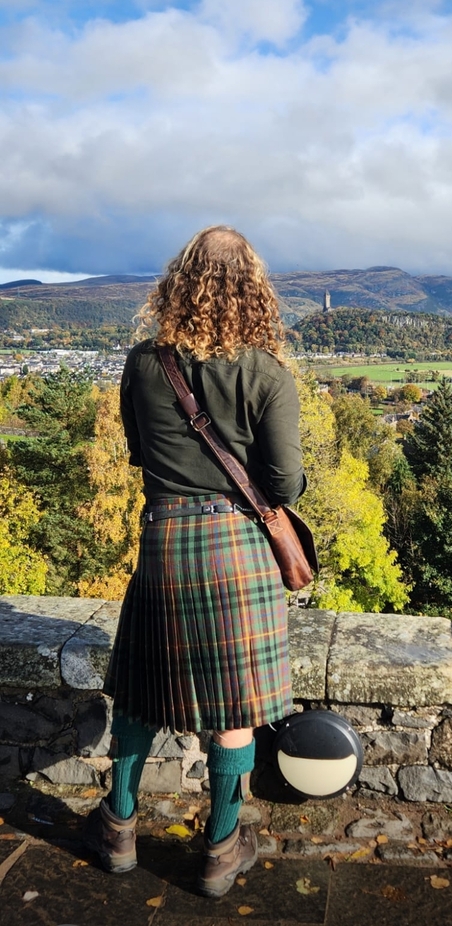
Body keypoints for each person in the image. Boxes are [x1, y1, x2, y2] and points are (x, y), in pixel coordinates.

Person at [83, 226, 305, 898]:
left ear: (177, 283)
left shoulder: (144, 364)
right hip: (237, 549)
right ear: (255, 289)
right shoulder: (267, 373)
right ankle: (218, 851)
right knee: (233, 707)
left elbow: (138, 454)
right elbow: (285, 484)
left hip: (164, 545)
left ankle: (118, 829)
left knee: (142, 692)